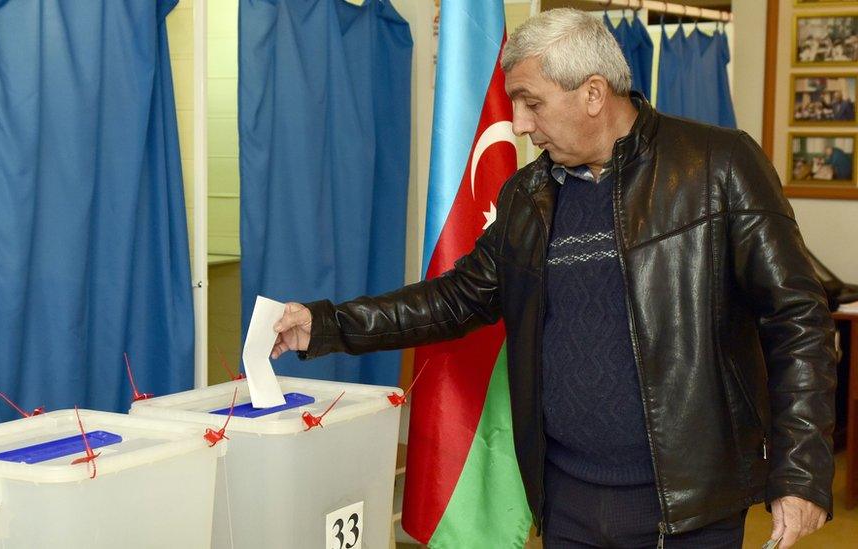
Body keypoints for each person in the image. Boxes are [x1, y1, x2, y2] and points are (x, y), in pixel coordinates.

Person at [271, 9, 836, 549]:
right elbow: (455, 298)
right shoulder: (527, 197)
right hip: (566, 499)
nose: (518, 125)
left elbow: (797, 320)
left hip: (689, 502)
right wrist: (324, 324)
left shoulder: (718, 166)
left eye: (531, 103)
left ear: (593, 93)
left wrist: (802, 469)